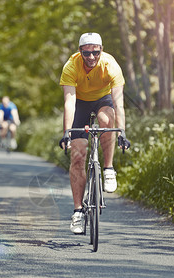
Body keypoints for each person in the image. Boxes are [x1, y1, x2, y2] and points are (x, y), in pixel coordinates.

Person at [59, 32, 131, 234]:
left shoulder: (111, 66)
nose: (91, 57)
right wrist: (67, 131)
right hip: (80, 103)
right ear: (80, 51)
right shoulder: (71, 67)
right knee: (78, 156)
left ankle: (108, 168)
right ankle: (78, 212)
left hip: (103, 100)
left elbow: (119, 104)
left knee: (107, 120)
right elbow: (69, 101)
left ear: (101, 50)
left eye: (95, 53)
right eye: (87, 53)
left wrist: (122, 131)